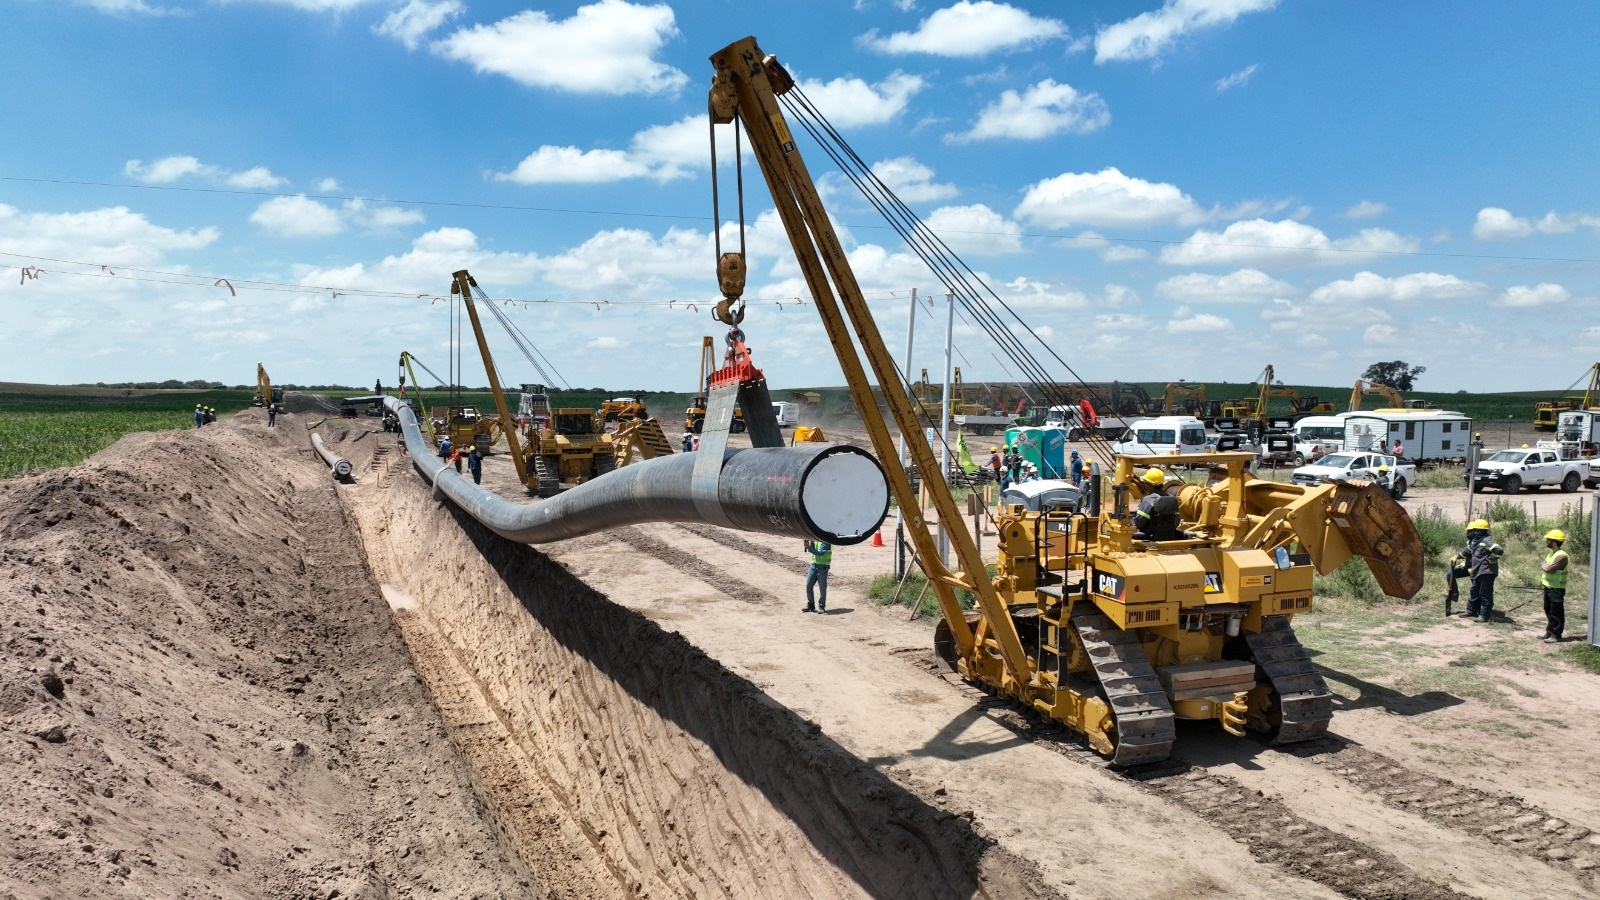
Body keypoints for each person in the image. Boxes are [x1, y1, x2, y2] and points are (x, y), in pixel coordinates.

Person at [1458, 519, 1505, 623]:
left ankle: (1484, 615)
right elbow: (1467, 550)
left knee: (1485, 594)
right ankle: (1471, 611)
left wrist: (1491, 559)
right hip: (1477, 572)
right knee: (1474, 591)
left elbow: (1499, 550)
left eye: (1475, 530)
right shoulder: (1476, 541)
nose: (1473, 532)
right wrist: (1457, 556)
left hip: (1486, 572)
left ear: (1480, 531)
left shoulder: (1486, 541)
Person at [1132, 467, 1183, 541]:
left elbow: (1139, 522)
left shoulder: (1148, 500)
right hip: (1169, 536)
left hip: (1149, 537)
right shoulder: (1172, 499)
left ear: (1150, 484)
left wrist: (1130, 522)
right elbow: (1176, 522)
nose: (1144, 484)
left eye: (1145, 482)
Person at [1540, 529, 1570, 643]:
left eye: (1548, 539)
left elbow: (1549, 569)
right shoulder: (1552, 553)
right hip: (1548, 586)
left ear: (1554, 541)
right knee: (1548, 610)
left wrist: (1545, 565)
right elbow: (1545, 566)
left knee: (1556, 612)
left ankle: (1556, 635)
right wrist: (1545, 566)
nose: (1546, 541)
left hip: (1557, 589)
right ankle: (1549, 631)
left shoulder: (1562, 556)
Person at [802, 539, 832, 613]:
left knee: (822, 587)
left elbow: (820, 553)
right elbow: (812, 549)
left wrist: (809, 547)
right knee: (808, 585)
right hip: (813, 566)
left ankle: (821, 606)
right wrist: (808, 544)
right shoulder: (814, 538)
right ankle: (811, 604)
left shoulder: (826, 540)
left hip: (823, 567)